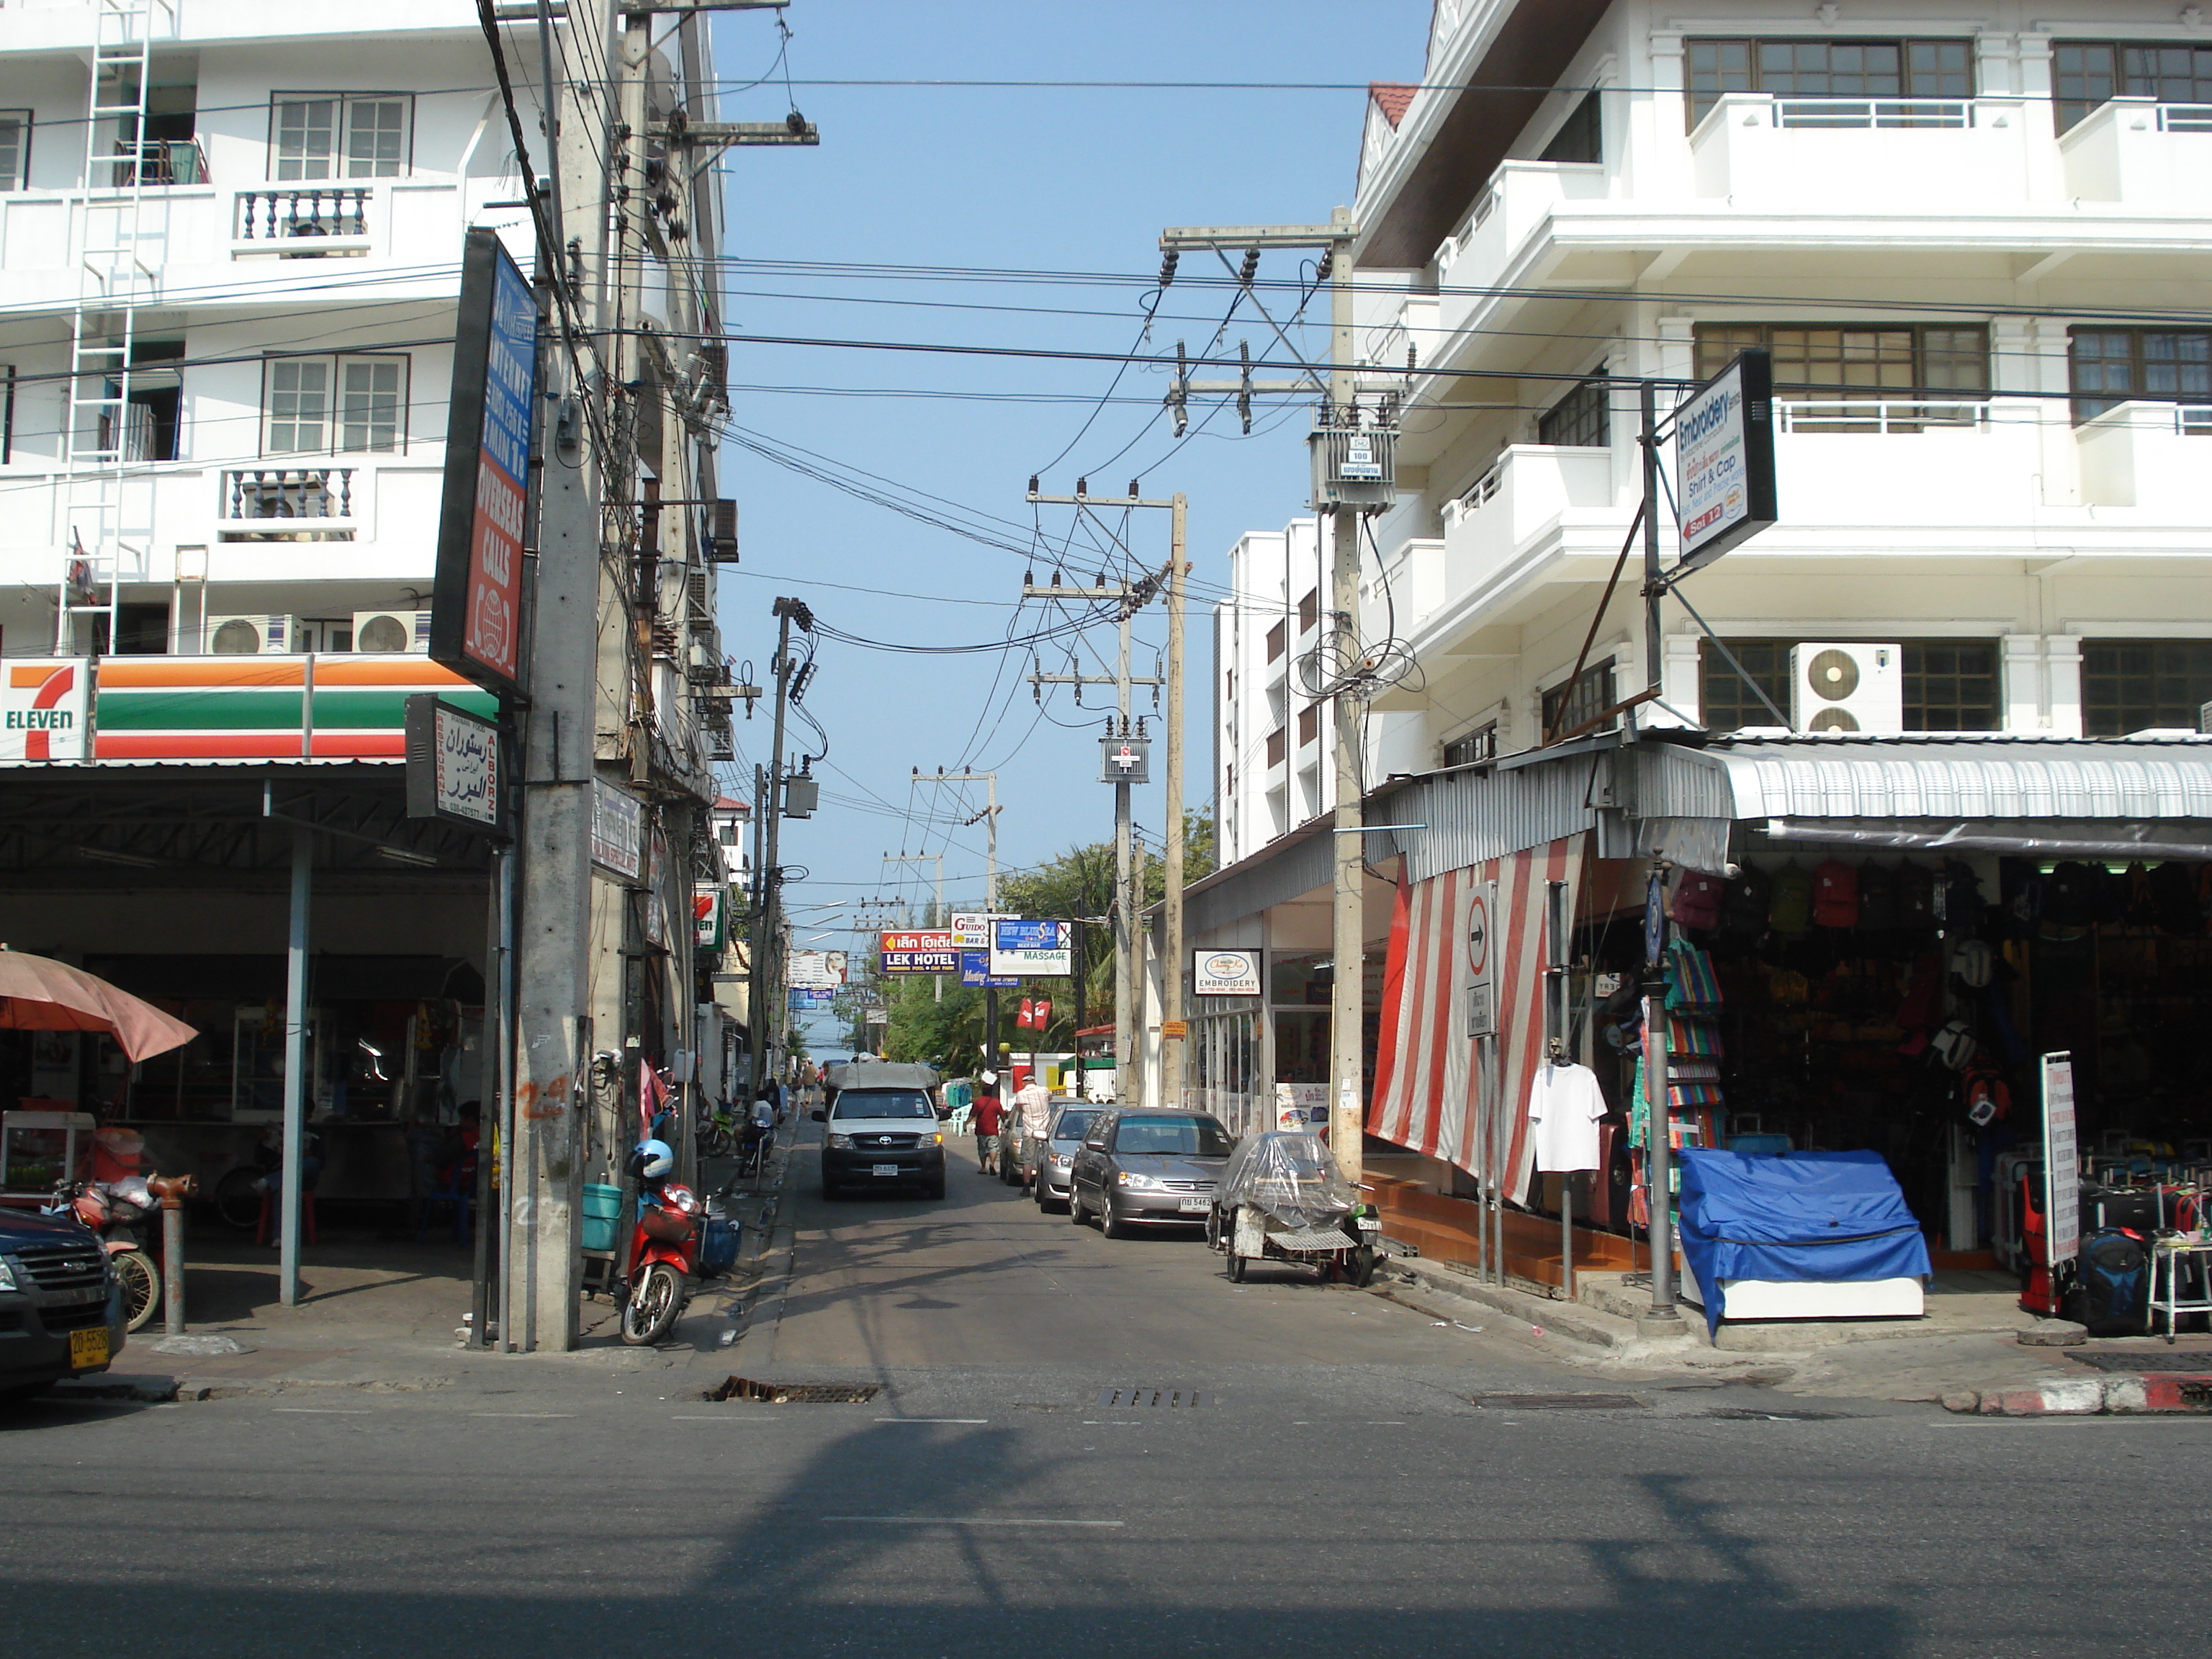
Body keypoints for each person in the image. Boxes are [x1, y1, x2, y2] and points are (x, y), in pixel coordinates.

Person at [1013, 1072, 1052, 1188]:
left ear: (1024, 1082)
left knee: (1028, 1161)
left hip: (1029, 1131)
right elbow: (1050, 1098)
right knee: (1044, 1160)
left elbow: (1019, 1108)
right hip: (1045, 1131)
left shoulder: (1021, 1094)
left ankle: (1026, 1186)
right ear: (1034, 1081)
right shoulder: (1044, 1090)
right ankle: (1042, 1186)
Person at [972, 1070, 1003, 1175]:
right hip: (993, 1130)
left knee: (982, 1149)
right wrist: (1005, 1123)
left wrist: (965, 1124)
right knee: (993, 1148)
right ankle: (992, 1165)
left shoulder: (978, 1102)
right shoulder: (996, 1102)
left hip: (981, 1129)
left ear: (982, 1092)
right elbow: (1002, 1115)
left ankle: (983, 1168)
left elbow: (972, 1114)